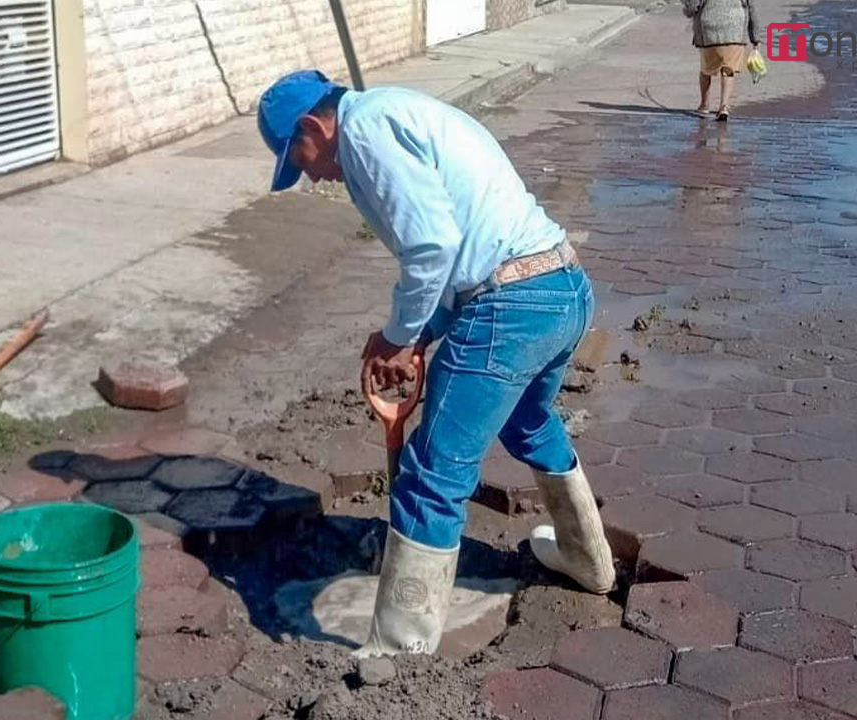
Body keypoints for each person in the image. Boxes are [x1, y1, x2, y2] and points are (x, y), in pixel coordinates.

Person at [257, 70, 616, 657]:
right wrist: (420, 335)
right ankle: (586, 559)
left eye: (300, 159)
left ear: (311, 126)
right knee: (527, 421)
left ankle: (398, 655)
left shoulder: (365, 132)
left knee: (430, 473)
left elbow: (432, 248)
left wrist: (400, 337)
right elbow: (455, 247)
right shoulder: (394, 112)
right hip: (561, 286)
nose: (312, 176)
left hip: (509, 303)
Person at [684, 0, 761, 121]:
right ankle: (724, 106)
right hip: (735, 28)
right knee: (728, 69)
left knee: (705, 69)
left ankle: (704, 105)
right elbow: (752, 8)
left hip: (708, 29)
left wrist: (687, 9)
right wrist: (755, 37)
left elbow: (691, 7)